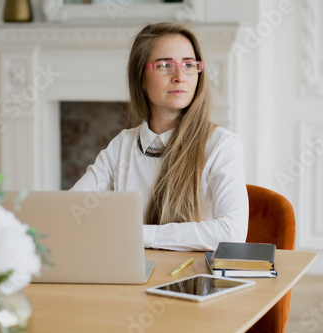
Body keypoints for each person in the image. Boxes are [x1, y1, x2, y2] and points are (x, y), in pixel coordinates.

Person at [71, 22, 248, 251]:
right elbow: (73, 208)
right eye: (165, 65)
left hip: (189, 280)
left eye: (189, 65)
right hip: (131, 275)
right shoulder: (123, 144)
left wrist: (139, 234)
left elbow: (231, 233)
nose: (179, 76)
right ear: (141, 79)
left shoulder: (221, 145)